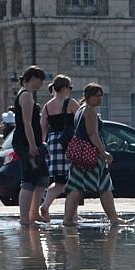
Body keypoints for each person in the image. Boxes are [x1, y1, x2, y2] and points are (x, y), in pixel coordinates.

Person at [63, 83, 131, 227]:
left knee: (76, 186)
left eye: (101, 96)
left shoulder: (80, 110)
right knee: (105, 187)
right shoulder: (90, 111)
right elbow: (92, 134)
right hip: (91, 154)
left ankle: (68, 219)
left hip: (80, 155)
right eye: (96, 96)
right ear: (88, 96)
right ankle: (114, 219)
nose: (100, 99)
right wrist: (103, 152)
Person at [12, 66, 49, 227]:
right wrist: (32, 145)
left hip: (28, 141)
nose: (41, 83)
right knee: (29, 179)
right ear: (33, 78)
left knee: (42, 177)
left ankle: (32, 213)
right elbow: (27, 123)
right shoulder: (26, 96)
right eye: (40, 79)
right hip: (26, 142)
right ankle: (25, 218)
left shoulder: (25, 94)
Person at [38, 75, 79, 221]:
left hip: (53, 143)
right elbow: (81, 122)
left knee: (59, 181)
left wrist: (42, 148)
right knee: (74, 180)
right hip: (69, 143)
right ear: (65, 88)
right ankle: (73, 215)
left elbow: (42, 128)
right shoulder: (72, 103)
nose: (70, 90)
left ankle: (46, 205)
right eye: (70, 87)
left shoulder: (47, 106)